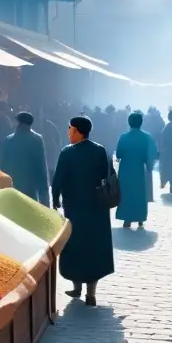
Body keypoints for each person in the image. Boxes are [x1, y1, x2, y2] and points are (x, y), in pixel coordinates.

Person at [52, 116, 114, 306]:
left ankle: (77, 286)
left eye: (70, 128)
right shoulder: (100, 150)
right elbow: (106, 175)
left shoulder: (67, 152)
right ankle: (91, 293)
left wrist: (55, 199)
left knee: (75, 246)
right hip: (97, 208)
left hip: (75, 208)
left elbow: (58, 180)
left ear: (77, 131)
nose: (68, 131)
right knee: (94, 247)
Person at [115, 111, 158, 229]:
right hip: (140, 169)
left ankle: (127, 219)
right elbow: (153, 154)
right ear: (141, 123)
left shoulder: (123, 137)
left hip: (125, 169)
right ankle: (140, 218)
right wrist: (149, 166)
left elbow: (118, 154)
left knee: (126, 194)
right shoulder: (146, 137)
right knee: (139, 194)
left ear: (129, 123)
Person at [0, 112, 49, 205]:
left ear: (18, 122)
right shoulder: (37, 139)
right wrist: (45, 202)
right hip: (30, 190)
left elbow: (3, 166)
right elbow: (41, 169)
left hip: (12, 189)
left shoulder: (9, 140)